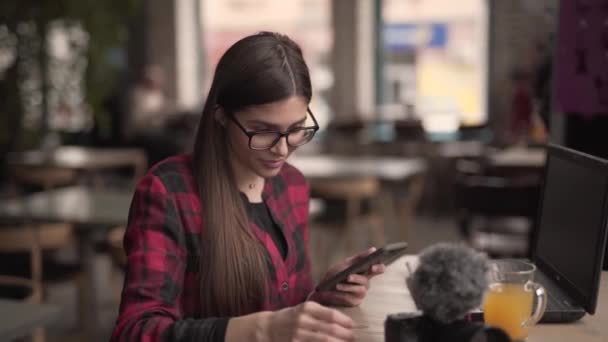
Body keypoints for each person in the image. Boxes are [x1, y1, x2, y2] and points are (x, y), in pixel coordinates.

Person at [111, 32, 386, 342]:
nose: (282, 150)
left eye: (296, 129)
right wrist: (262, 329)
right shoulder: (168, 191)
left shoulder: (292, 185)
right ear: (222, 117)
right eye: (262, 131)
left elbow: (284, 307)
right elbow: (136, 332)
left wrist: (322, 298)